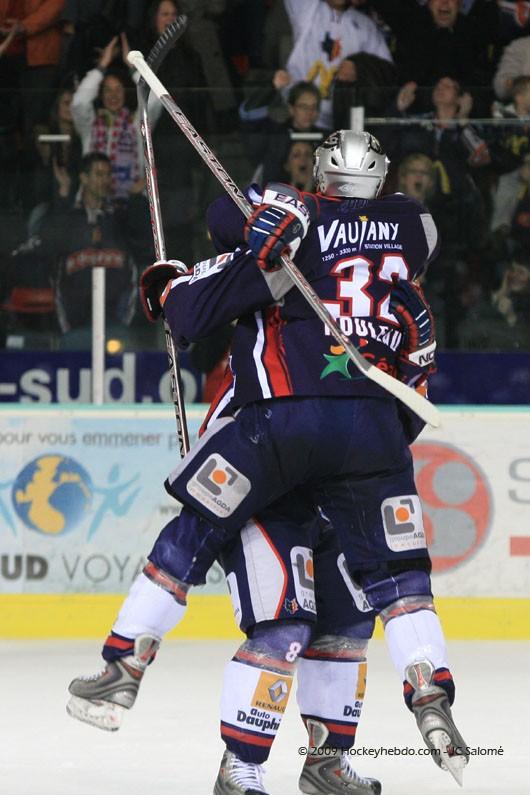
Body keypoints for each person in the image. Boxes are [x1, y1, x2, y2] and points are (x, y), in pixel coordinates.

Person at [67, 131, 468, 791]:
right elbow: (412, 402)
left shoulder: (288, 238)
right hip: (355, 453)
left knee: (312, 611)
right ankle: (416, 691)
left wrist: (165, 287)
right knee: (351, 602)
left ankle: (129, 662)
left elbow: (197, 295)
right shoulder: (406, 288)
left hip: (277, 438)